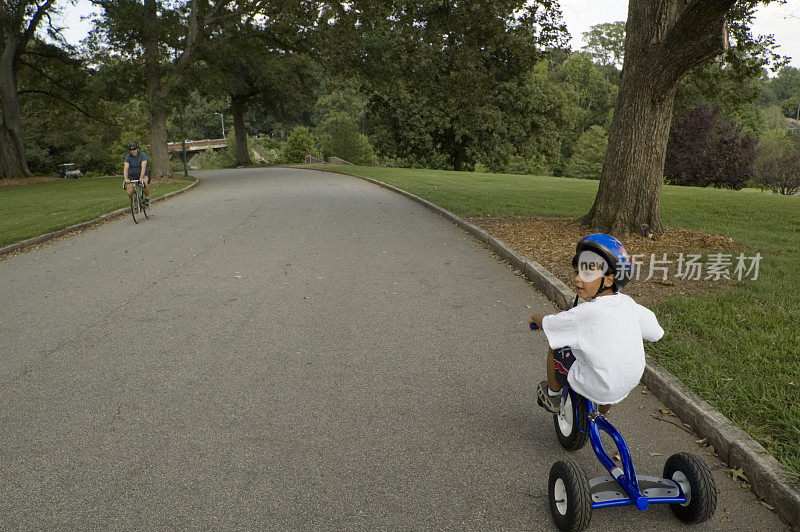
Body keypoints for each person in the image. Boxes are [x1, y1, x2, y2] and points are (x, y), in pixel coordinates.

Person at [528, 234, 664, 413]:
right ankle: (600, 414)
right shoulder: (629, 303)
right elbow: (656, 333)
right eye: (576, 272)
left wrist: (536, 318)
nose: (577, 278)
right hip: (628, 382)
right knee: (609, 372)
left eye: (586, 273)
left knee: (556, 348)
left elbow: (549, 325)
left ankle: (553, 395)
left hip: (600, 384)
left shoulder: (584, 313)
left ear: (608, 280)